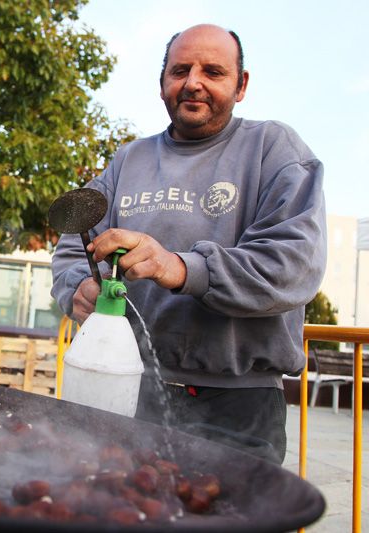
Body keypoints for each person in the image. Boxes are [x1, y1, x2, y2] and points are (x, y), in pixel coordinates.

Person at [51, 24, 326, 464]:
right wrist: (77, 288)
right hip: (130, 389)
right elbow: (72, 248)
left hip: (236, 407)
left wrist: (180, 267)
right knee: (114, 500)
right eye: (180, 70)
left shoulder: (273, 149)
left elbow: (294, 264)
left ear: (241, 85)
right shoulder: (129, 159)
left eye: (213, 71)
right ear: (162, 83)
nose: (193, 82)